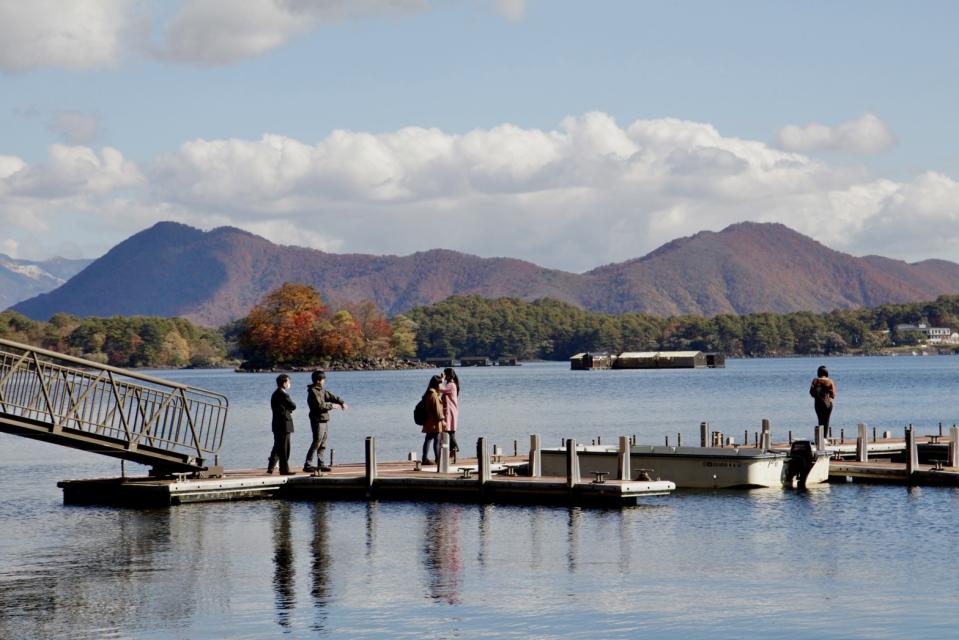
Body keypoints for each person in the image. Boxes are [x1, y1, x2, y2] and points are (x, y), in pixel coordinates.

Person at [304, 370, 348, 472]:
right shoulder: (313, 392)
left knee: (323, 442)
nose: (324, 381)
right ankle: (308, 464)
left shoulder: (321, 390)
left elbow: (331, 396)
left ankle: (321, 463)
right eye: (323, 380)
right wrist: (332, 406)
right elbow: (320, 406)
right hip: (317, 419)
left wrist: (341, 402)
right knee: (317, 442)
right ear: (318, 381)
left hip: (324, 419)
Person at [268, 374, 296, 475]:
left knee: (277, 446)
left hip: (277, 423)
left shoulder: (275, 393)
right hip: (284, 424)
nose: (289, 384)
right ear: (284, 383)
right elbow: (293, 406)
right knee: (285, 448)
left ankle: (271, 467)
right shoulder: (283, 394)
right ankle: (284, 470)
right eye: (289, 382)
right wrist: (288, 409)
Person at [420, 375, 447, 465]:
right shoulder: (434, 395)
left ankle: (425, 458)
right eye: (440, 384)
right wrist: (442, 420)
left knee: (428, 439)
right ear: (436, 385)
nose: (441, 387)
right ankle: (438, 458)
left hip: (428, 421)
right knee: (436, 440)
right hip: (435, 422)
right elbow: (437, 410)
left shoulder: (428, 393)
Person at [440, 367, 460, 461]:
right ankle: (453, 451)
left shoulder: (451, 385)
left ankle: (455, 448)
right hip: (450, 411)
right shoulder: (451, 384)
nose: (443, 376)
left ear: (448, 375)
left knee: (449, 431)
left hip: (450, 411)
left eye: (444, 374)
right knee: (450, 431)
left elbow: (440, 388)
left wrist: (441, 380)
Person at [809, 365, 836, 434]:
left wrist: (818, 395)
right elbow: (833, 395)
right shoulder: (830, 381)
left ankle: (820, 438)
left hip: (818, 403)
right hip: (828, 403)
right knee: (826, 421)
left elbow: (811, 393)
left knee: (820, 421)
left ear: (818, 373)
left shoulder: (815, 381)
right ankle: (825, 438)